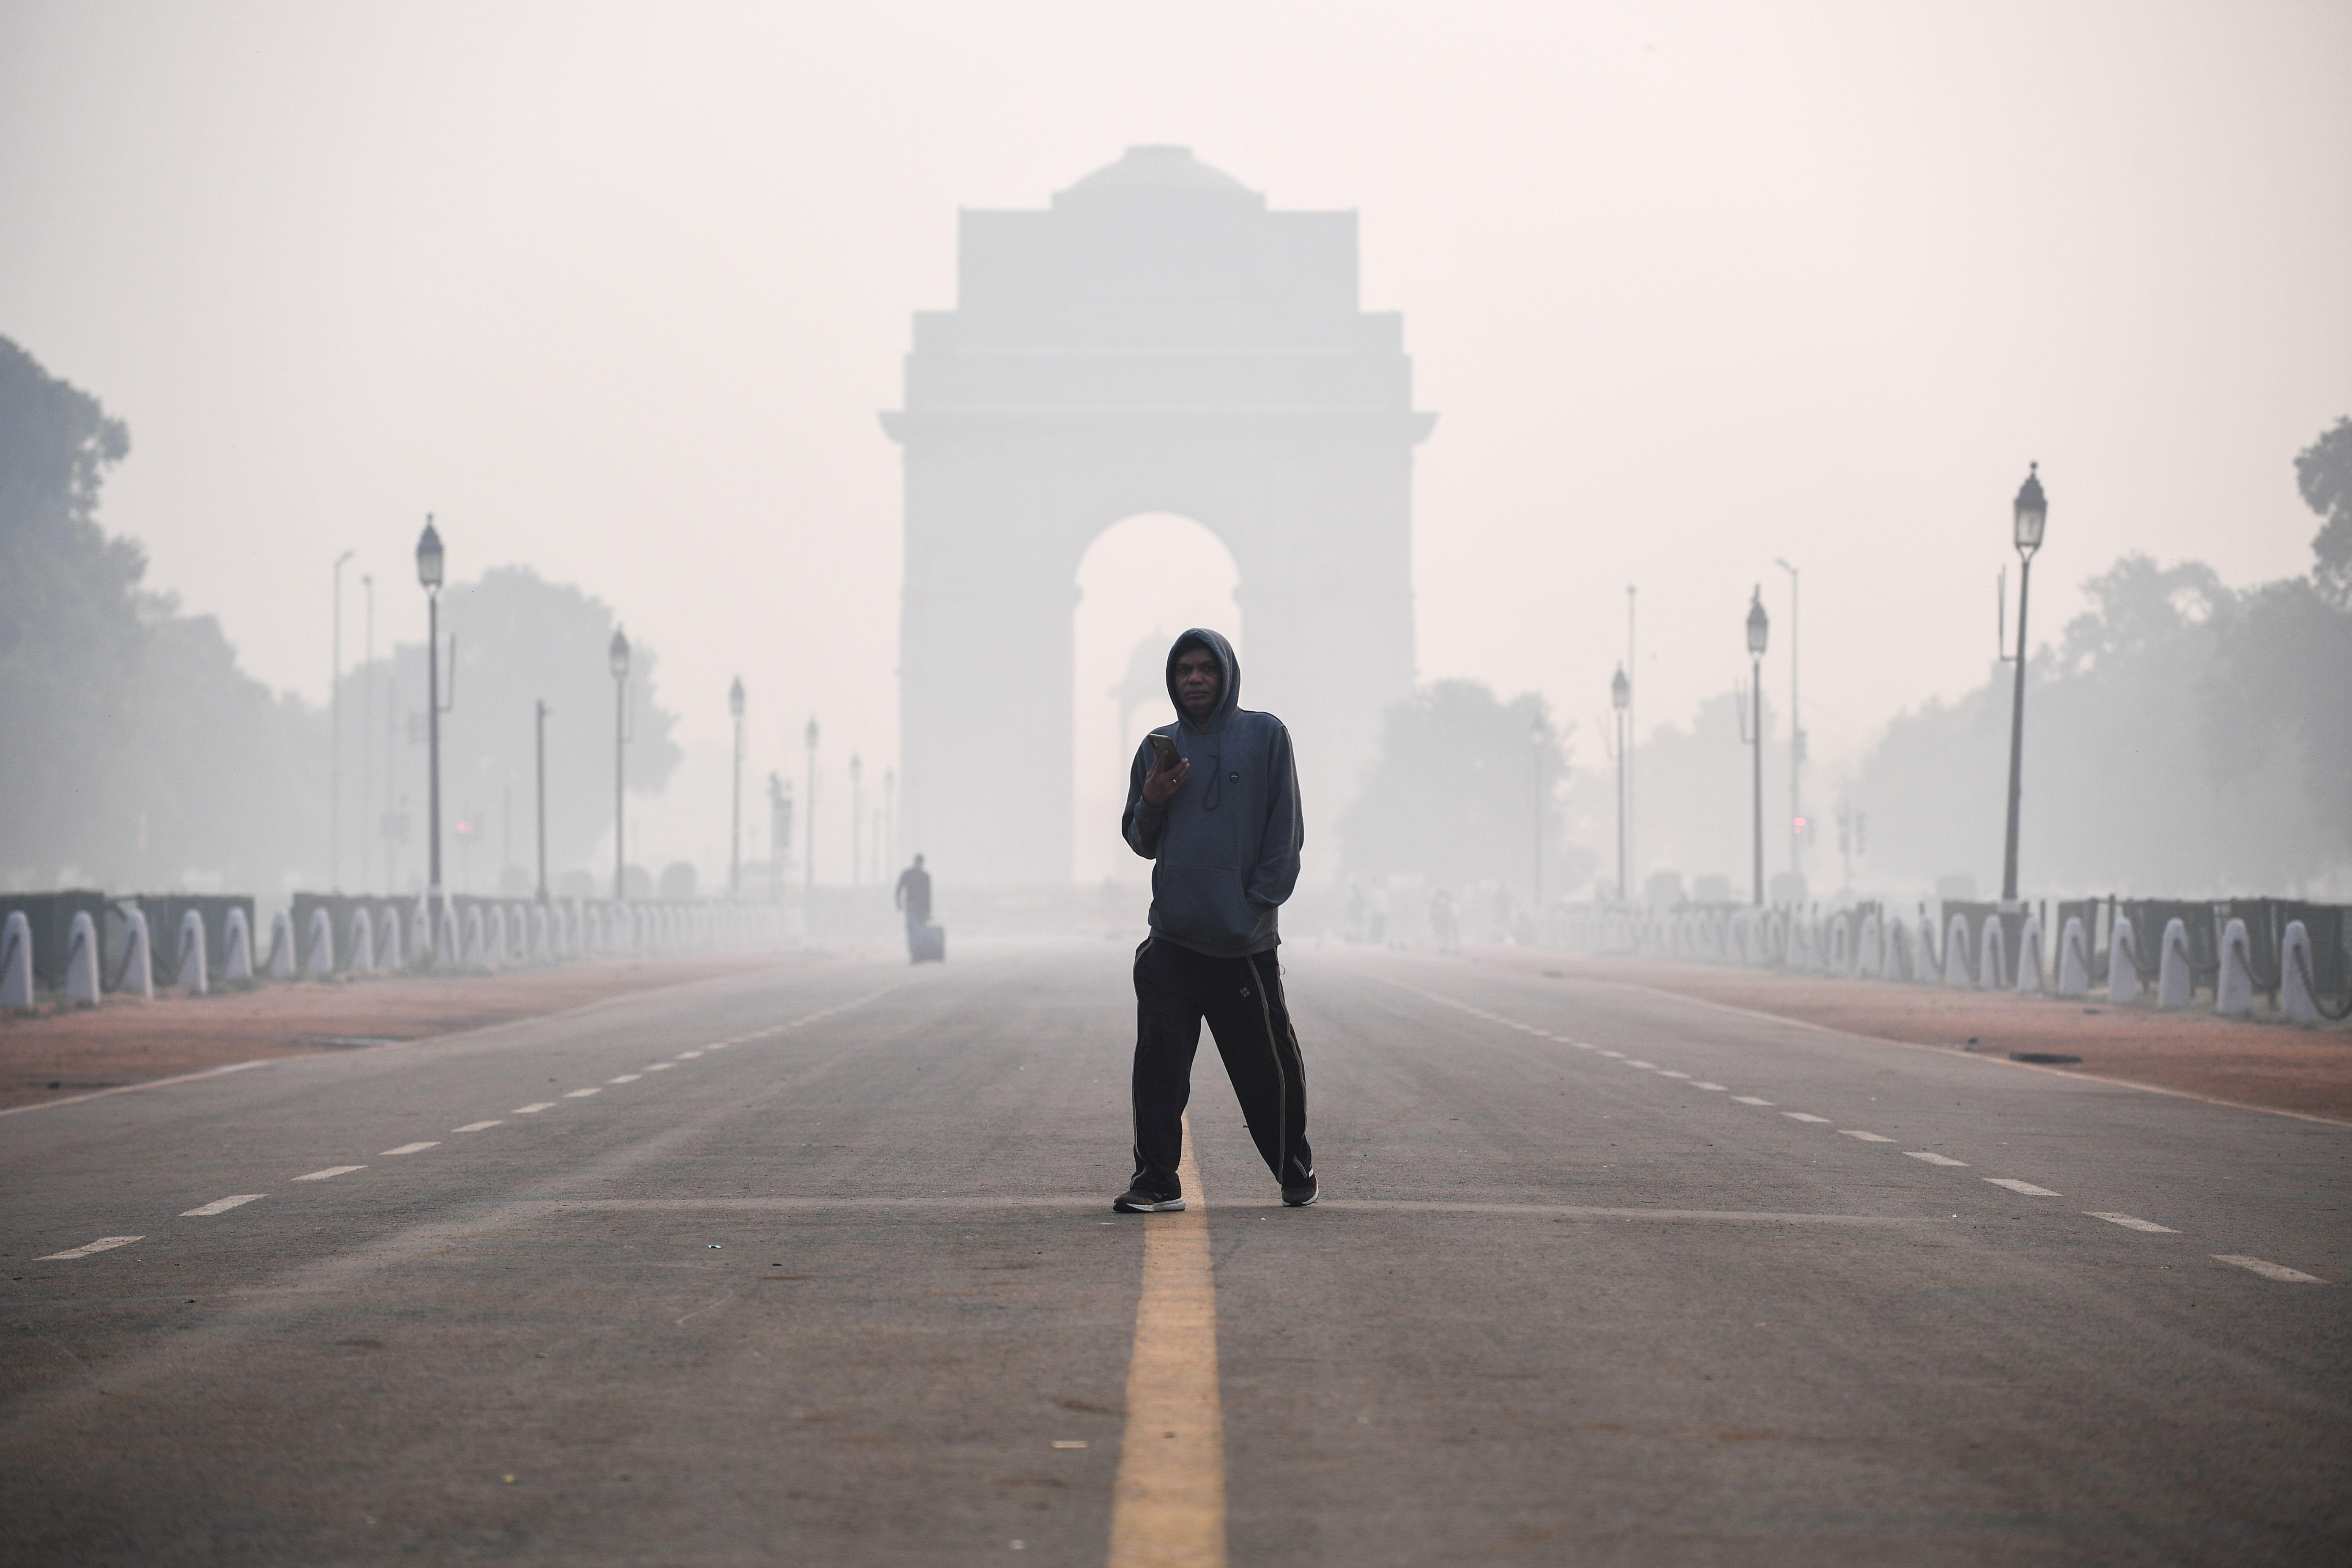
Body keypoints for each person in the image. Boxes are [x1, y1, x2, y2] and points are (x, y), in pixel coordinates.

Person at [1115, 629, 1315, 1213]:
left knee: (1265, 1071)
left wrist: (1256, 904)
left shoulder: (1265, 736)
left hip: (1240, 944)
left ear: (1226, 674)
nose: (1194, 679)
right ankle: (1156, 1180)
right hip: (1172, 939)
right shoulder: (1158, 747)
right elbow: (1137, 839)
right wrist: (1151, 798)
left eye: (1205, 669)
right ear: (1172, 682)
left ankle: (1293, 1165)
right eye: (1183, 671)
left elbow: (1286, 829)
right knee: (1158, 1071)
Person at [894, 854, 932, 957]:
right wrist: (928, 911)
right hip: (920, 907)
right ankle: (919, 952)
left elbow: (899, 888)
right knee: (919, 929)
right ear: (922, 863)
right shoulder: (925, 876)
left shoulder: (907, 874)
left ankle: (914, 952)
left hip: (911, 905)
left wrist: (898, 902)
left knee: (912, 929)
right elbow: (928, 895)